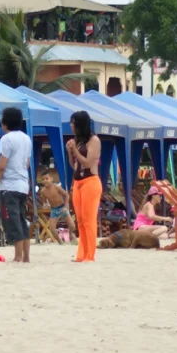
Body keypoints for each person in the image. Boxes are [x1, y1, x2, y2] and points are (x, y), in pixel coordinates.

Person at [0, 107, 33, 263]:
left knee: (12, 220)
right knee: (22, 219)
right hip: (23, 184)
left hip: (9, 185)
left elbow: (1, 166)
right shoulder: (26, 139)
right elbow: (27, 163)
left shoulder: (6, 140)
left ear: (4, 123)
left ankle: (17, 256)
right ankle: (26, 257)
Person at [68, 111, 102, 263]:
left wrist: (75, 149)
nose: (71, 125)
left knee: (89, 220)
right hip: (78, 182)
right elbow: (74, 165)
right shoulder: (79, 141)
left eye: (73, 122)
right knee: (80, 220)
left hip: (90, 181)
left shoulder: (94, 140)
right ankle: (81, 254)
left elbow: (88, 163)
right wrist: (70, 152)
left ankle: (90, 255)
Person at [38, 171, 76, 241]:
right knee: (52, 229)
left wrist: (66, 205)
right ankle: (60, 241)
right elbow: (44, 201)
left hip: (62, 207)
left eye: (47, 178)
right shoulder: (43, 191)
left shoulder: (56, 187)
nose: (45, 181)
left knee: (72, 226)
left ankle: (70, 233)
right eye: (43, 179)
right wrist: (45, 204)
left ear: (51, 179)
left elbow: (66, 195)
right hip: (54, 210)